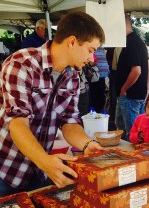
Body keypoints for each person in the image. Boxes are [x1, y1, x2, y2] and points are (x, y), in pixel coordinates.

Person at [0, 12, 105, 196]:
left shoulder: (72, 77)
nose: (91, 59)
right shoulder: (22, 63)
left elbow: (70, 123)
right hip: (6, 169)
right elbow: (17, 123)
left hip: (38, 172)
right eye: (90, 50)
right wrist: (45, 161)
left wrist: (87, 144)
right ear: (72, 41)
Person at [115, 14, 149, 140]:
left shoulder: (131, 42)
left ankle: (134, 157)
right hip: (134, 95)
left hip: (130, 95)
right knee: (129, 130)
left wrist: (124, 89)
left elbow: (136, 71)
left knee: (132, 133)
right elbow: (147, 66)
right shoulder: (136, 40)